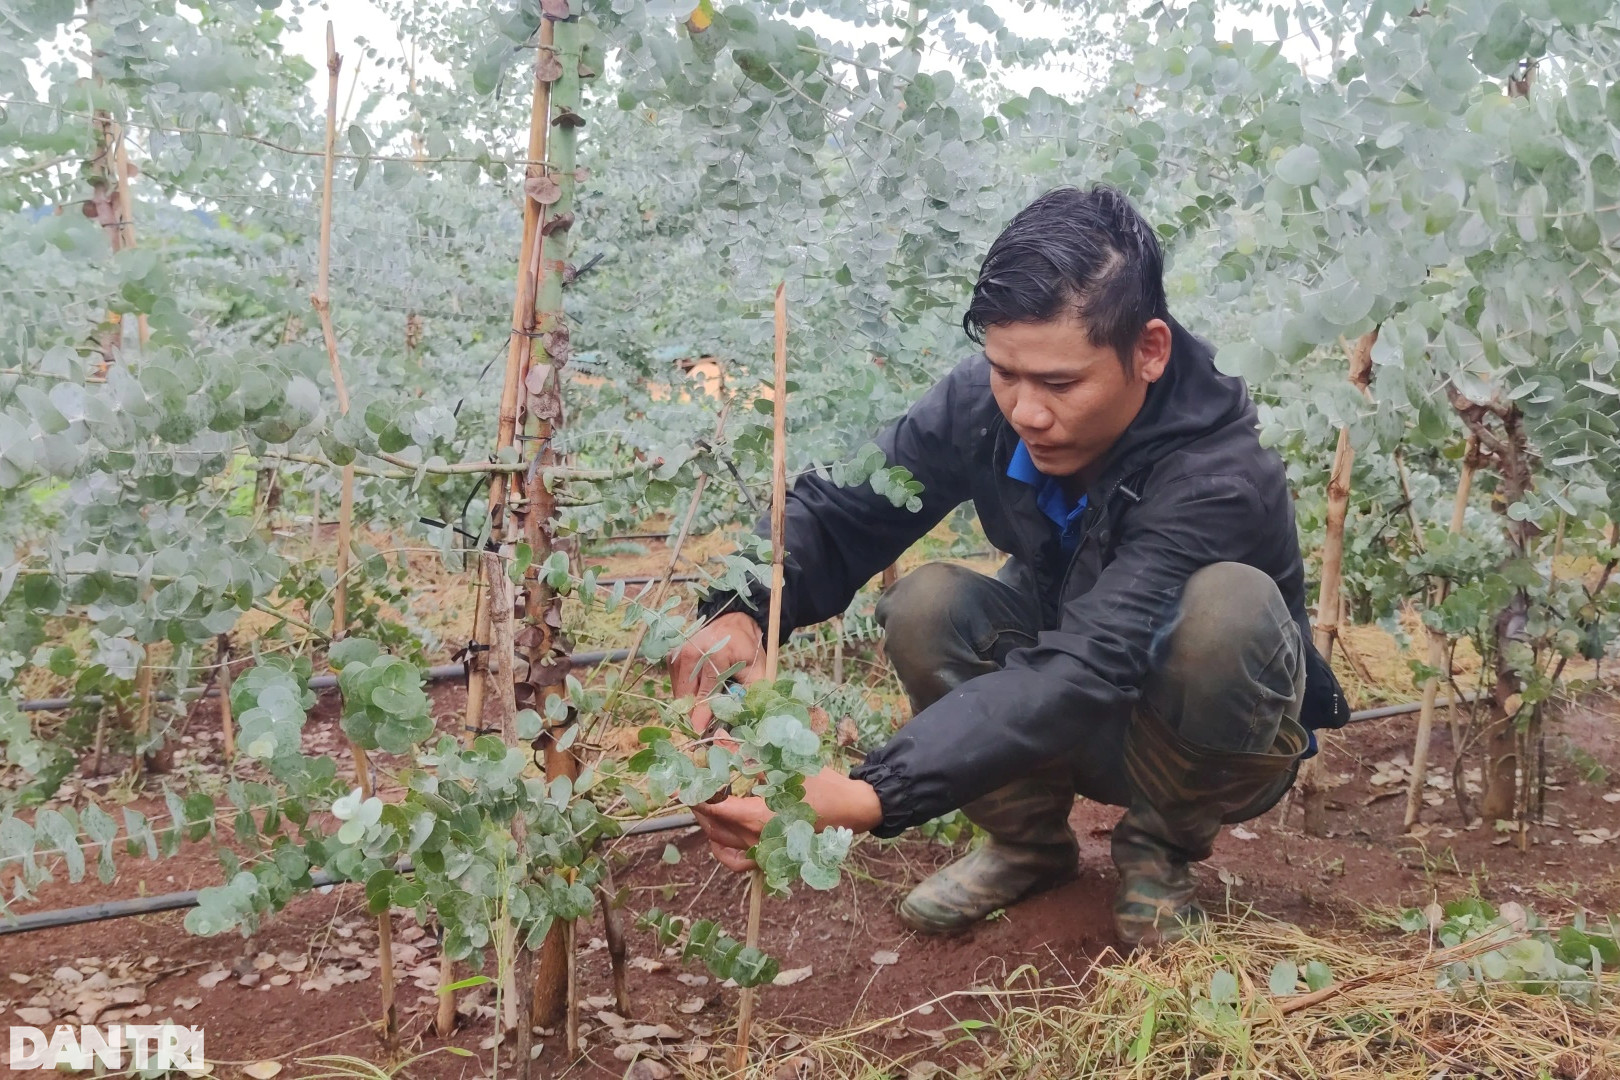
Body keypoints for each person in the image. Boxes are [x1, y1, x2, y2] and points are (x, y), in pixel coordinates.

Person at [669, 185, 1348, 947]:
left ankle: (1159, 853)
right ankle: (1030, 845)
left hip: (1209, 739)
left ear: (1149, 351)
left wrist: (871, 794)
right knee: (926, 603)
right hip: (1062, 709)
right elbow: (844, 509)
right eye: (1004, 372)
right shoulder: (984, 402)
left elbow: (1089, 664)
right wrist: (740, 604)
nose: (1025, 411)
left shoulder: (1220, 470)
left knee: (1229, 609)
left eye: (1060, 383)